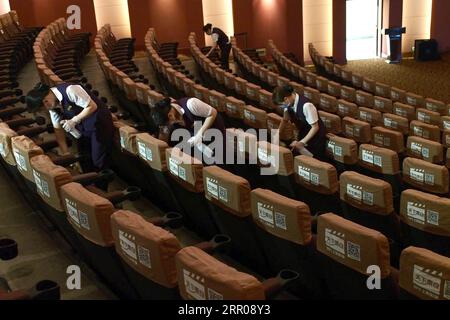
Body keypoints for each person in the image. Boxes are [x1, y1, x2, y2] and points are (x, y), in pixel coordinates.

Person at [26, 82, 114, 172]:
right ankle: (89, 183)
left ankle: (101, 184)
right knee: (84, 159)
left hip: (99, 124)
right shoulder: (52, 107)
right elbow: (58, 129)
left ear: (45, 100)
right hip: (84, 130)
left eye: (43, 106)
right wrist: (66, 153)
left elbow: (92, 106)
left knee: (98, 160)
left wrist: (73, 120)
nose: (46, 108)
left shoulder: (70, 90)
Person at [152, 97, 226, 160]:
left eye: (168, 124)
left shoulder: (191, 104)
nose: (168, 126)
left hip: (215, 132)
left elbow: (213, 113)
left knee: (221, 160)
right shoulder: (169, 119)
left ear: (170, 116)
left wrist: (200, 134)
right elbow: (163, 136)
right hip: (201, 142)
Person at [272, 85, 326, 160]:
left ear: (286, 99)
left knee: (312, 162)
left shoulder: (306, 105)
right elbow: (285, 120)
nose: (282, 107)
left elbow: (315, 127)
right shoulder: (288, 104)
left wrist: (301, 143)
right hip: (303, 133)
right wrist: (277, 134)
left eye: (281, 105)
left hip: (316, 138)